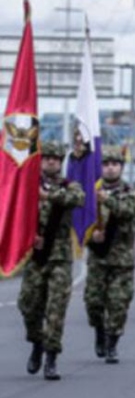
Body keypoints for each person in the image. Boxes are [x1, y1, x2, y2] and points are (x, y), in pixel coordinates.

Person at [19, 140, 85, 380]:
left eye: (55, 159)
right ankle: (37, 342)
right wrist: (29, 237)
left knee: (55, 309)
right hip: (35, 256)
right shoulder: (27, 185)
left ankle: (51, 357)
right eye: (47, 158)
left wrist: (47, 195)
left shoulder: (69, 186)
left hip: (59, 257)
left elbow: (77, 198)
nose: (50, 162)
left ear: (60, 163)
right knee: (28, 305)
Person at [84, 146, 135, 364]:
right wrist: (91, 236)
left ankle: (112, 343)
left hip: (121, 260)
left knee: (118, 303)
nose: (110, 168)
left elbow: (128, 211)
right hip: (98, 258)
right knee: (94, 303)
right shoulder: (89, 193)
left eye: (115, 164)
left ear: (121, 167)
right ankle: (100, 331)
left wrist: (106, 200)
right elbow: (80, 223)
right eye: (106, 164)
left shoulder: (131, 193)